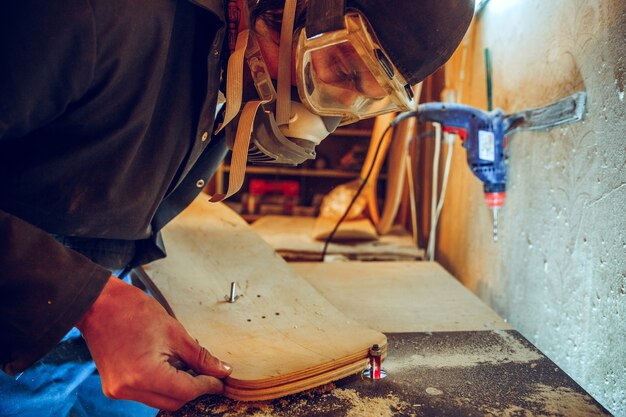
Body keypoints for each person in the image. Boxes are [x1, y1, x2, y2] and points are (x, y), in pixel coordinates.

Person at [0, 0, 474, 415]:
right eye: (344, 69)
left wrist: (103, 299)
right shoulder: (92, 15)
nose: (328, 104)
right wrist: (92, 304)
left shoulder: (232, 47)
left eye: (362, 99)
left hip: (103, 294)